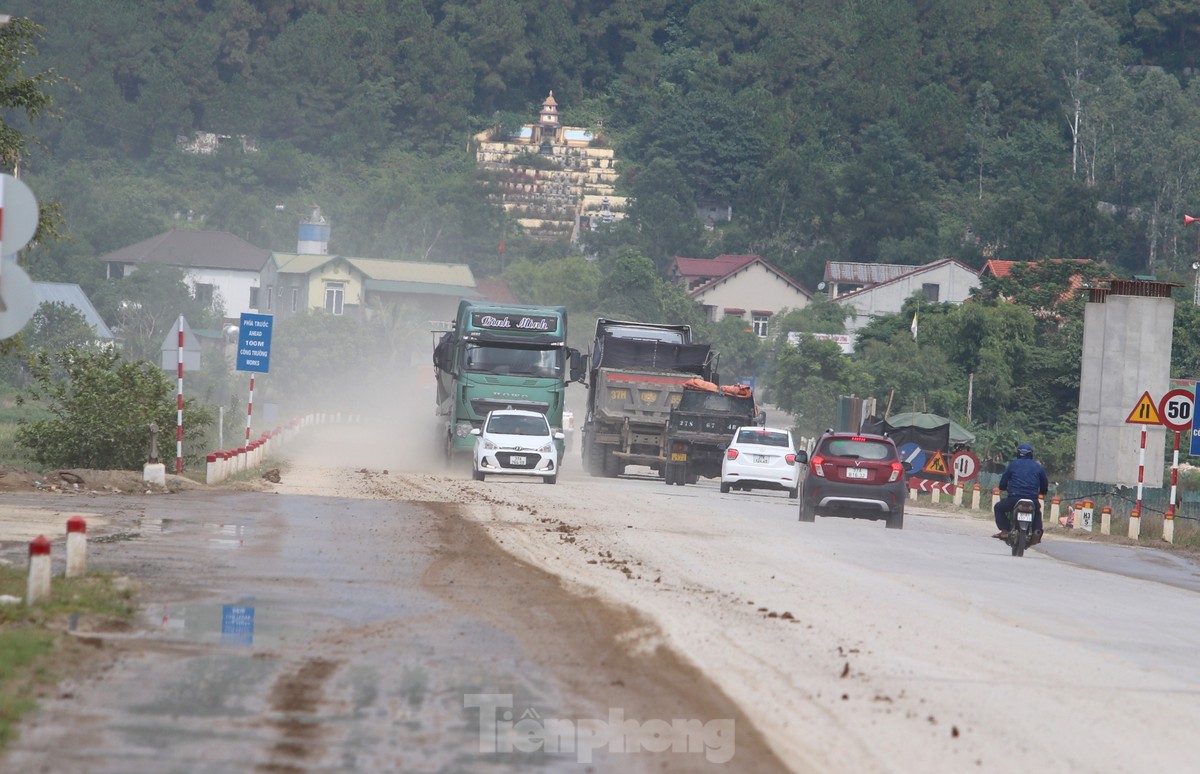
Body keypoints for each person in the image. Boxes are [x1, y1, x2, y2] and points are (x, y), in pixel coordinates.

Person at [993, 443, 1049, 544]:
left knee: (998, 508)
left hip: (1014, 498)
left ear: (1018, 454)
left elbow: (1003, 481)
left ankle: (1005, 530)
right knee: (1036, 512)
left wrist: (1003, 488)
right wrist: (1043, 492)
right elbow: (1044, 483)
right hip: (1032, 499)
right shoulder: (1038, 467)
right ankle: (1037, 531)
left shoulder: (1013, 465)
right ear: (1031, 455)